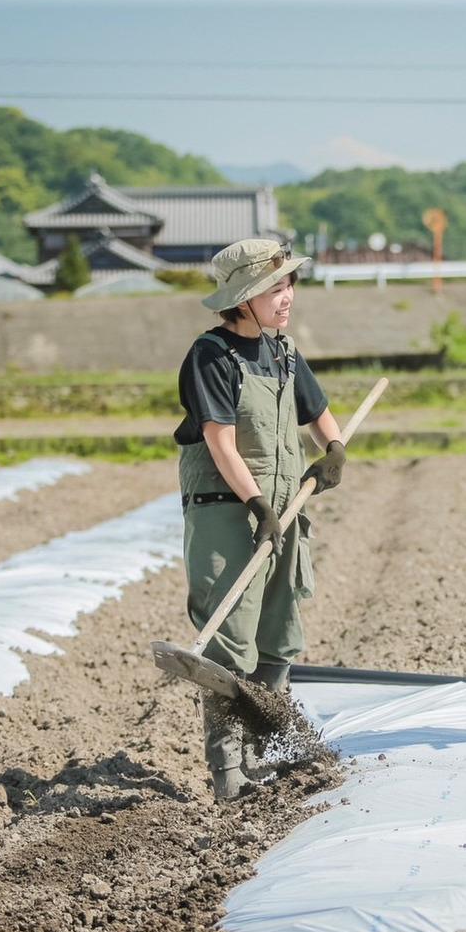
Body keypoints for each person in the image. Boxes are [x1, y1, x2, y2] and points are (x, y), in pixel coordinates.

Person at [174, 238, 346, 801]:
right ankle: (228, 772)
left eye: (289, 283)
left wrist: (334, 448)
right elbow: (220, 442)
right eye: (274, 288)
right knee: (231, 640)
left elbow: (317, 412)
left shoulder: (283, 352)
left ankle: (262, 754)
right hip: (229, 512)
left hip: (284, 511)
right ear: (242, 299)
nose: (287, 295)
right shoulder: (211, 356)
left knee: (277, 633)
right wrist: (256, 505)